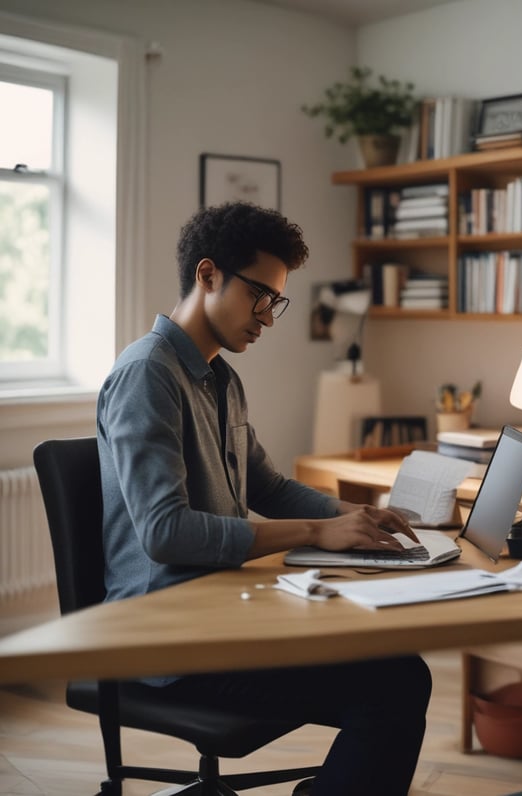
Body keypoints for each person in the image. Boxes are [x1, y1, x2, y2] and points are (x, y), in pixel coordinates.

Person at [96, 201, 432, 796]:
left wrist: (349, 515)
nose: (269, 318)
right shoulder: (147, 374)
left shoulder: (221, 377)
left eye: (276, 300)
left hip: (221, 617)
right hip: (169, 643)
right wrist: (312, 533)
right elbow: (165, 532)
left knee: (396, 670)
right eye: (260, 295)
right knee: (396, 683)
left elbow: (268, 487)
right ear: (207, 276)